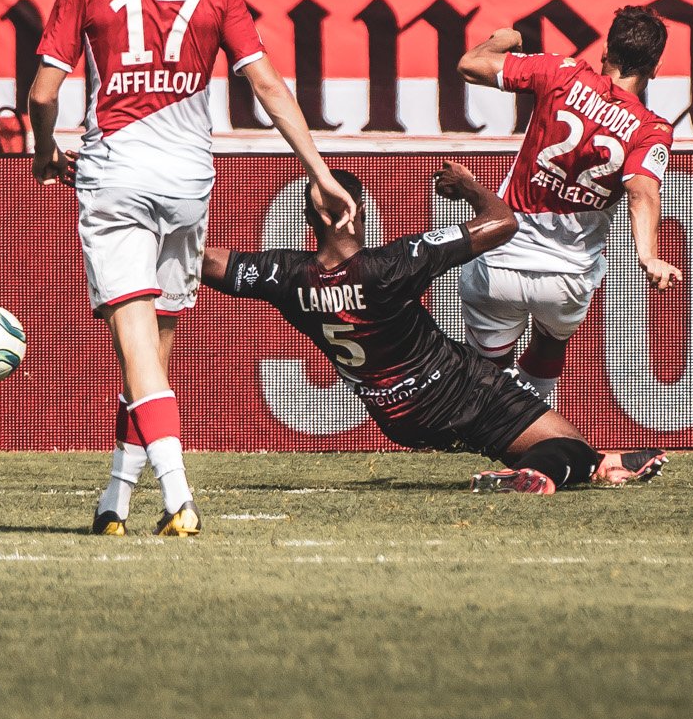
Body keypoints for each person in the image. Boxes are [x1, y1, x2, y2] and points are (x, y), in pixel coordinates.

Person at [28, 0, 354, 537]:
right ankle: (116, 500)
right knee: (153, 348)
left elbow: (43, 90)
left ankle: (178, 497)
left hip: (117, 172)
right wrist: (320, 173)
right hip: (188, 179)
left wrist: (41, 149)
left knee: (137, 348)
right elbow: (266, 85)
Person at [203, 164, 666, 494]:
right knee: (569, 446)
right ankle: (567, 470)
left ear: (311, 219)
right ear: (353, 210)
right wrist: (468, 186)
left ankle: (602, 466)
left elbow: (211, 262)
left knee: (546, 444)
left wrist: (155, 228)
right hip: (458, 388)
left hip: (398, 418)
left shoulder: (285, 276)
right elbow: (502, 222)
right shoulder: (391, 265)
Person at [453, 7, 682, 404]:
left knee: (489, 370)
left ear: (605, 53)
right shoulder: (650, 129)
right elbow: (642, 191)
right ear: (657, 68)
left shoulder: (562, 72)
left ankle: (501, 426)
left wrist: (502, 40)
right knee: (551, 342)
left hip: (500, 260)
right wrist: (649, 257)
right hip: (567, 277)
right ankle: (531, 437)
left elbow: (471, 65)